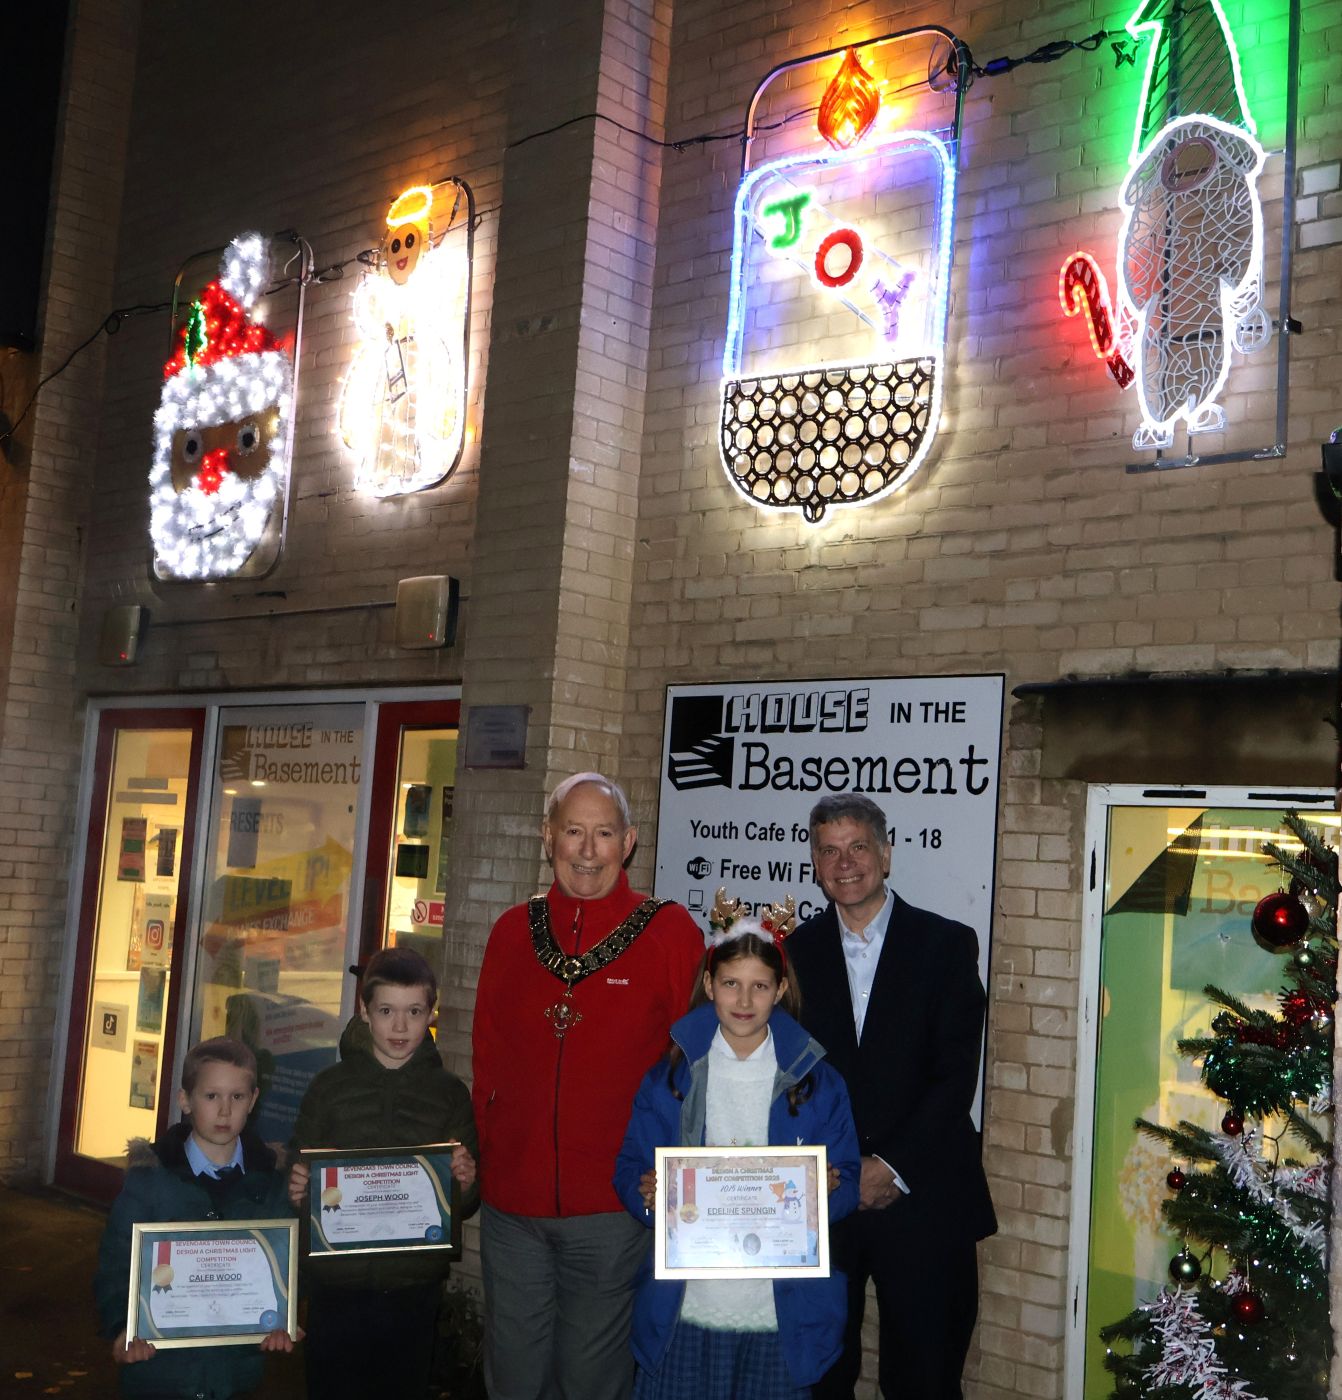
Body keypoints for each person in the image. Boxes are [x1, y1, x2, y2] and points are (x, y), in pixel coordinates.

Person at [472, 771, 705, 1400]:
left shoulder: (670, 932)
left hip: (614, 1206)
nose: (587, 848)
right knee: (513, 1375)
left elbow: (697, 1064)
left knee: (591, 1380)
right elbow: (485, 1057)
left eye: (603, 833)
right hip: (512, 1208)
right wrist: (488, 1157)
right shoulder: (510, 932)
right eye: (573, 830)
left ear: (628, 842)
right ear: (548, 837)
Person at [785, 794, 996, 1399]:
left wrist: (890, 1166)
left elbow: (955, 1077)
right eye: (829, 850)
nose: (844, 863)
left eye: (857, 847)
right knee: (819, 1378)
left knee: (924, 1383)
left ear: (886, 854)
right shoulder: (793, 955)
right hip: (825, 1204)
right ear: (815, 863)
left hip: (925, 1197)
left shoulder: (946, 945)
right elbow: (789, 1078)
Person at [614, 916, 860, 1399]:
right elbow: (630, 1167)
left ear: (781, 988)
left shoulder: (818, 1083)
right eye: (731, 984)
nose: (744, 1001)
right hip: (686, 1306)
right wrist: (646, 1195)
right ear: (709, 985)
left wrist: (823, 1196)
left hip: (778, 1314)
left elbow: (848, 1178)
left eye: (759, 986)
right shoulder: (670, 1078)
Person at [287, 945, 479, 1400]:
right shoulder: (328, 1088)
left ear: (431, 1012)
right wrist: (298, 1190)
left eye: (414, 1011)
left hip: (413, 1285)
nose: (399, 1026)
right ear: (365, 1011)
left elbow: (467, 1201)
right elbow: (297, 1176)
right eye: (387, 1010)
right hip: (337, 1286)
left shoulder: (450, 1094)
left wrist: (466, 1182)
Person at [93, 1036, 298, 1399]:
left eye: (237, 1097)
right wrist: (123, 1326)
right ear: (185, 1100)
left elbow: (283, 1265)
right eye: (211, 1096)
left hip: (234, 1374)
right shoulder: (150, 1179)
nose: (224, 1110)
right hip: (160, 1371)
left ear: (252, 1100)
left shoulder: (271, 1183)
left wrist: (283, 1317)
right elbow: (116, 1260)